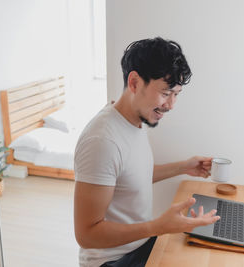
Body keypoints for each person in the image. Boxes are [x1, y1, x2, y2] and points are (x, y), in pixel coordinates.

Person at [74, 37, 220, 267]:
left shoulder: (133, 120)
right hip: (113, 261)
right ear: (134, 82)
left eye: (176, 94)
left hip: (139, 246)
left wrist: (184, 167)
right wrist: (158, 226)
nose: (171, 105)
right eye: (165, 93)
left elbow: (130, 176)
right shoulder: (102, 141)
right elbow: (86, 234)